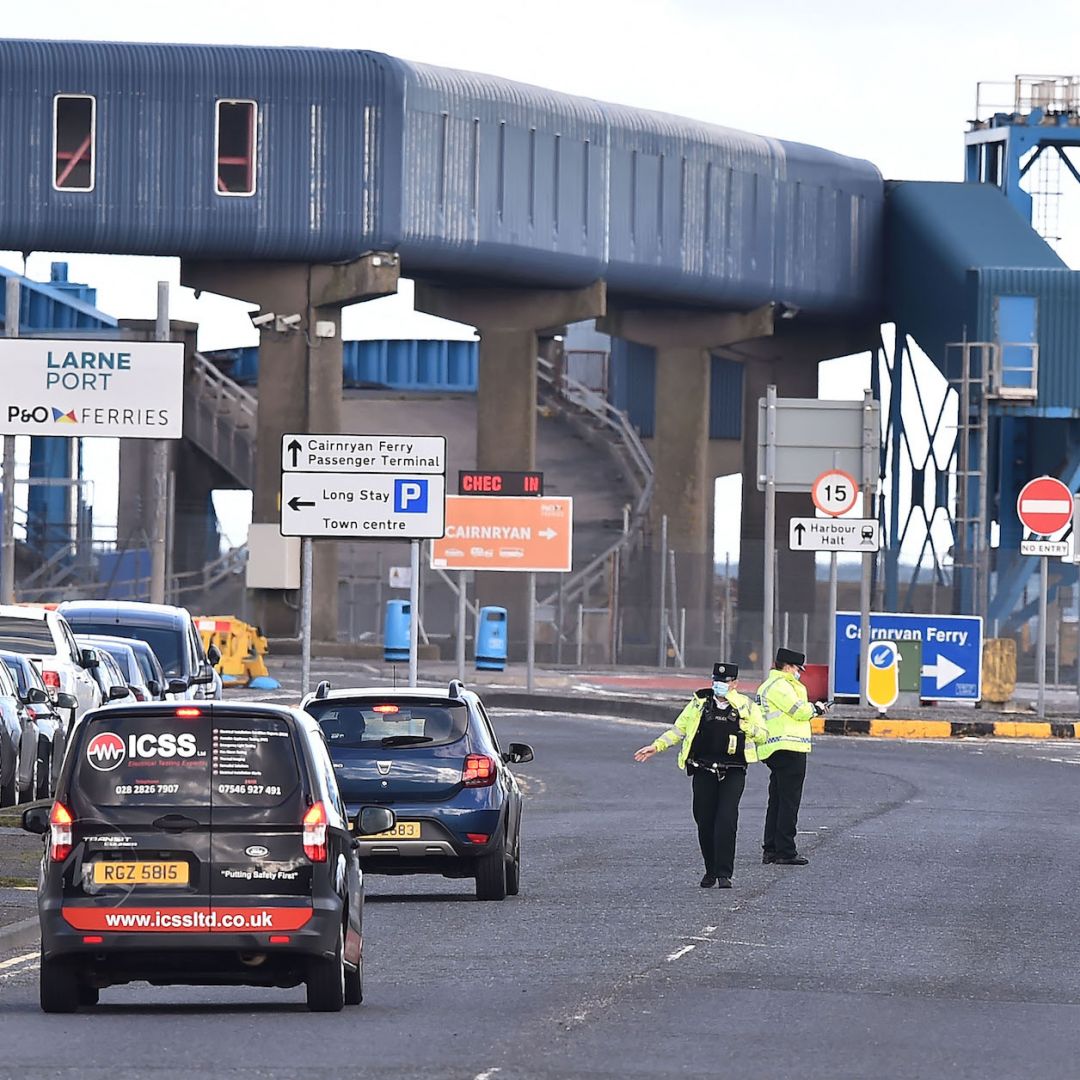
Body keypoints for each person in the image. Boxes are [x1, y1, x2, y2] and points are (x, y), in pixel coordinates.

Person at [634, 663, 767, 889]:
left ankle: (725, 873)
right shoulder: (699, 704)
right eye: (716, 681)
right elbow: (679, 729)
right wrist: (656, 746)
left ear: (735, 683)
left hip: (732, 770)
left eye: (725, 682)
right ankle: (710, 870)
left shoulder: (746, 706)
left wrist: (747, 727)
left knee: (726, 820)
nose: (720, 685)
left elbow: (763, 735)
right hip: (703, 768)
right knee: (704, 821)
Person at [756, 647, 828, 867]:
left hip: (775, 748)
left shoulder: (767, 685)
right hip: (789, 748)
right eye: (798, 669)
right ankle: (785, 851)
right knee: (789, 802)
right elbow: (799, 711)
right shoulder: (782, 685)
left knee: (777, 800)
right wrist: (816, 708)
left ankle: (771, 849)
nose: (799, 673)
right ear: (787, 666)